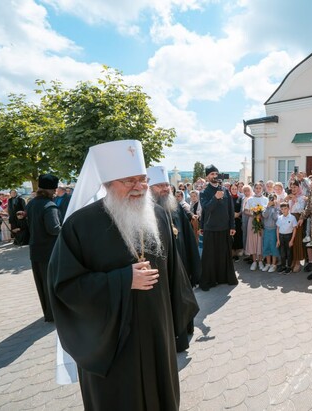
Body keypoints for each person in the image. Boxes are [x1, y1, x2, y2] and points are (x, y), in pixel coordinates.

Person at [48, 140, 198, 410]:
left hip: (156, 330)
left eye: (142, 179)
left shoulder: (158, 216)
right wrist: (122, 279)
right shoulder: (80, 225)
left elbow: (175, 272)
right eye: (129, 181)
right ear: (107, 183)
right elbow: (64, 286)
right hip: (112, 342)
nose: (139, 187)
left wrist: (180, 321)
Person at [147, 166, 200, 353]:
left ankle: (185, 330)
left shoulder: (175, 207)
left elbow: (188, 237)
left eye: (167, 185)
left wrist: (195, 267)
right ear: (149, 188)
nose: (165, 189)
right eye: (159, 185)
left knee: (183, 299)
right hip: (162, 270)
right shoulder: (146, 213)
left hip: (182, 264)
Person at [26, 174, 61, 322]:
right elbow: (54, 229)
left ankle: (48, 314)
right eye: (54, 190)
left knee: (41, 284)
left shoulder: (32, 203)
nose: (55, 192)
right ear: (52, 190)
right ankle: (55, 314)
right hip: (49, 251)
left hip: (35, 249)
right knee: (51, 284)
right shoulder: (49, 206)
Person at [199, 164, 237, 291]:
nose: (214, 176)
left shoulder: (225, 190)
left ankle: (224, 278)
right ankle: (210, 280)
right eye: (211, 174)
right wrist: (215, 198)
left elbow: (230, 209)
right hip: (210, 228)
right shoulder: (204, 192)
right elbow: (206, 209)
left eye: (216, 174)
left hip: (225, 228)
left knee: (224, 255)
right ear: (207, 177)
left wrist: (232, 225)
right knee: (210, 256)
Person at [244, 182, 268, 270]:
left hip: (262, 221)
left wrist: (261, 214)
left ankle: (260, 261)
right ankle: (254, 261)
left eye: (259, 188)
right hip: (252, 221)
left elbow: (267, 210)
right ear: (254, 189)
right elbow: (245, 211)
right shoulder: (250, 199)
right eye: (256, 188)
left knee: (261, 240)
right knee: (253, 240)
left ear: (262, 189)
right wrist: (253, 214)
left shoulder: (266, 199)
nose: (258, 190)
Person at [287, 181, 307, 272]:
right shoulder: (289, 196)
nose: (293, 189)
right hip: (289, 219)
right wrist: (287, 199)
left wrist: (295, 200)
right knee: (290, 240)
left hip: (298, 218)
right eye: (292, 187)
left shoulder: (302, 198)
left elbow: (301, 209)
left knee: (297, 240)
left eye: (295, 187)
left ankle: (298, 262)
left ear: (299, 187)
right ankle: (293, 260)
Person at [276, 202, 298, 273]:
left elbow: (294, 229)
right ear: (281, 210)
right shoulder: (280, 218)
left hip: (289, 236)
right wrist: (278, 240)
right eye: (282, 209)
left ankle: (289, 267)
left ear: (288, 209)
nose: (284, 210)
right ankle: (283, 266)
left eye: (285, 208)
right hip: (281, 236)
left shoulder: (292, 218)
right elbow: (278, 229)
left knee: (289, 253)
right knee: (282, 253)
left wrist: (291, 240)